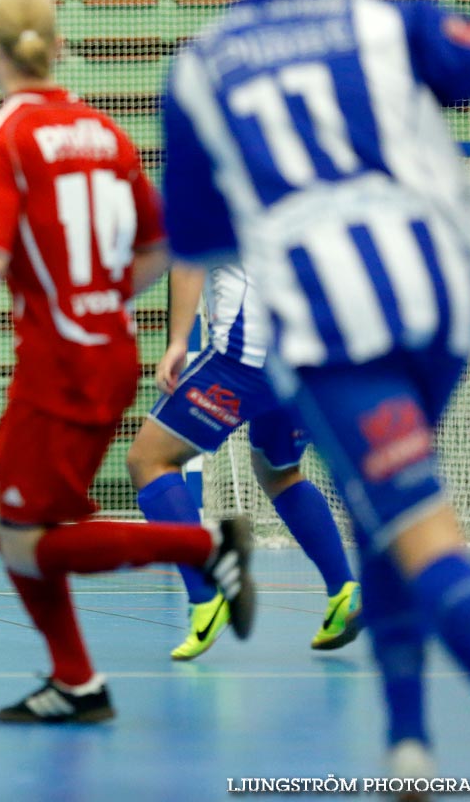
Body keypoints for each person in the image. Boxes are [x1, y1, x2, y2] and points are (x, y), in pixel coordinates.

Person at [160, 0, 470, 777]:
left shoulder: (201, 68)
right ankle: (408, 744)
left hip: (332, 320)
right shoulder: (390, 19)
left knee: (418, 527)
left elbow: (198, 243)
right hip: (445, 295)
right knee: (380, 504)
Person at [0, 0, 256, 725]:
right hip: (107, 349)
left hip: (59, 364)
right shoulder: (106, 133)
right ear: (58, 46)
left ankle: (199, 546)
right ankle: (75, 682)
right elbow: (166, 242)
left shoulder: (1, 137)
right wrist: (103, 294)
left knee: (24, 539)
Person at [127, 260, 361, 660]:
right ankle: (344, 591)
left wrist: (178, 342)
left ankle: (206, 597)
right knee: (278, 470)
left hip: (245, 357)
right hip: (308, 354)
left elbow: (188, 260)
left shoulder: (209, 193)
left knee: (147, 460)